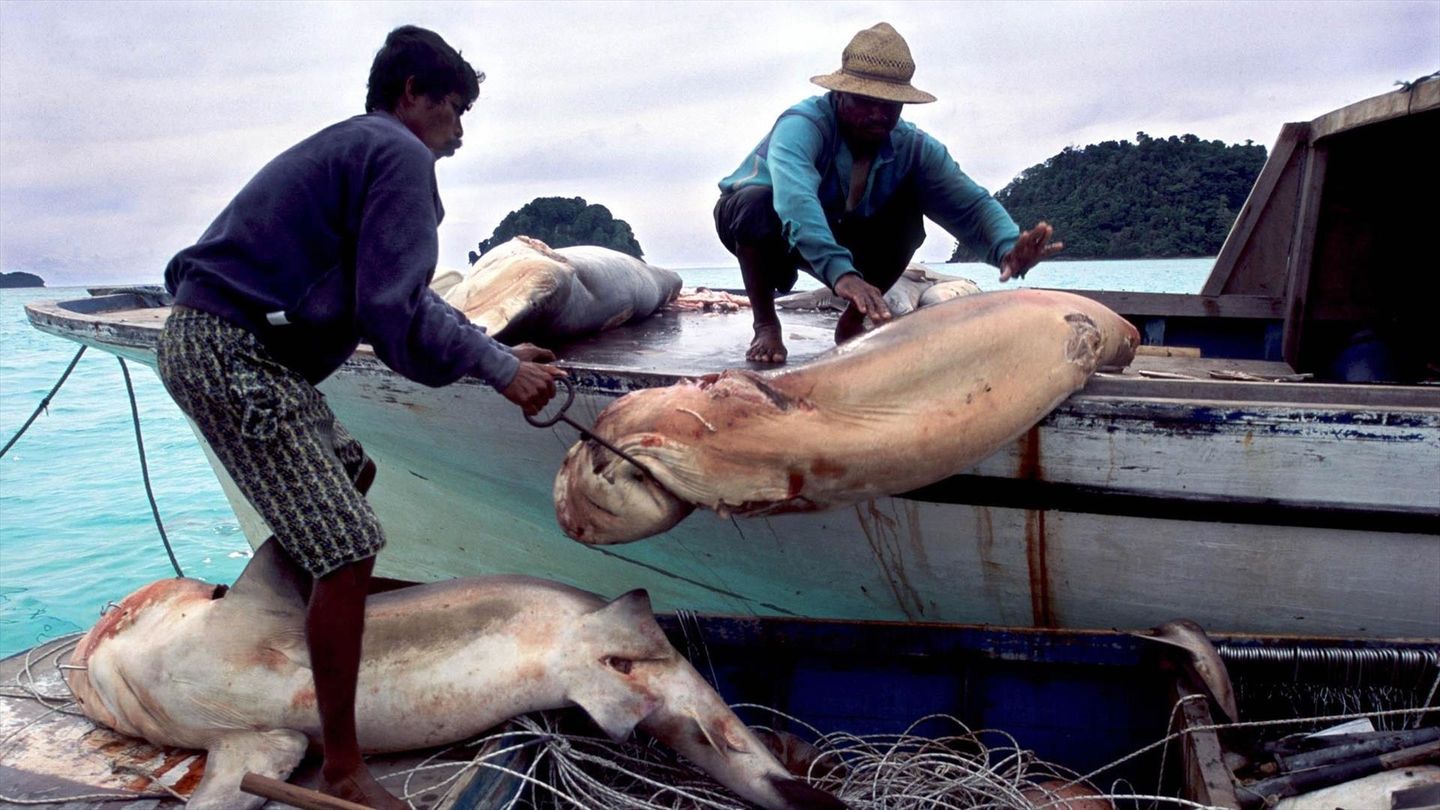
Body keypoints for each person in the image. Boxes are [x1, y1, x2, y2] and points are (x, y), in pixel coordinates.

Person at [156, 26, 565, 809]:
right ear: (410, 93)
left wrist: (487, 352)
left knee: (351, 474)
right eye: (453, 107)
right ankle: (342, 762)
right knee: (349, 551)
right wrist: (502, 370)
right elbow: (393, 309)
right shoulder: (398, 152)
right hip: (229, 351)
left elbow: (394, 309)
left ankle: (295, 636)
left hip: (233, 344)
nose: (460, 130)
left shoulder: (361, 147)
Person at [714, 22, 1064, 363]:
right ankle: (765, 324)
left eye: (890, 104)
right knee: (755, 204)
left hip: (840, 227)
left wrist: (1006, 247)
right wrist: (843, 274)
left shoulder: (913, 147)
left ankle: (853, 319)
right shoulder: (803, 125)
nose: (878, 114)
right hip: (765, 228)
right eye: (866, 101)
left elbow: (970, 205)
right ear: (839, 94)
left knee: (908, 217)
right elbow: (795, 200)